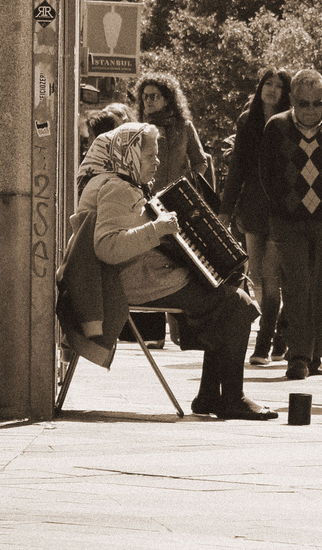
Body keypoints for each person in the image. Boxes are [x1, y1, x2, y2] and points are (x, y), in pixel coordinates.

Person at [76, 121, 278, 419]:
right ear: (129, 154)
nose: (157, 162)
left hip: (141, 275)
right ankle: (230, 397)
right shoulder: (117, 188)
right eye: (149, 156)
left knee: (230, 283)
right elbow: (107, 248)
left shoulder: (119, 182)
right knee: (236, 303)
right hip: (136, 281)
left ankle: (211, 395)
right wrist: (157, 229)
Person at [259, 69, 322, 380]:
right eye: (304, 103)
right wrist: (280, 210)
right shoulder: (276, 128)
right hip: (289, 222)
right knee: (297, 286)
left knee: (321, 288)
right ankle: (297, 358)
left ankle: (314, 355)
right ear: (292, 101)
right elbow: (266, 175)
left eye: (317, 103)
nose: (311, 110)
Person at [218, 68, 292, 366]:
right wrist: (225, 210)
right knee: (258, 279)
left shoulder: (290, 121)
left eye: (279, 85)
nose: (272, 89)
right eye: (268, 83)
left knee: (272, 278)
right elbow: (236, 168)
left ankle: (264, 344)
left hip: (280, 209)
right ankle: (281, 334)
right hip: (252, 207)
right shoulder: (247, 119)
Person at [134, 72, 210, 348]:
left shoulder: (183, 126)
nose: (149, 101)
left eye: (154, 96)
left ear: (168, 98)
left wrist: (186, 182)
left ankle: (182, 330)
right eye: (145, 97)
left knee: (180, 261)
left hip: (178, 203)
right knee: (152, 260)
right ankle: (155, 332)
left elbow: (200, 161)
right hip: (147, 202)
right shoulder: (138, 128)